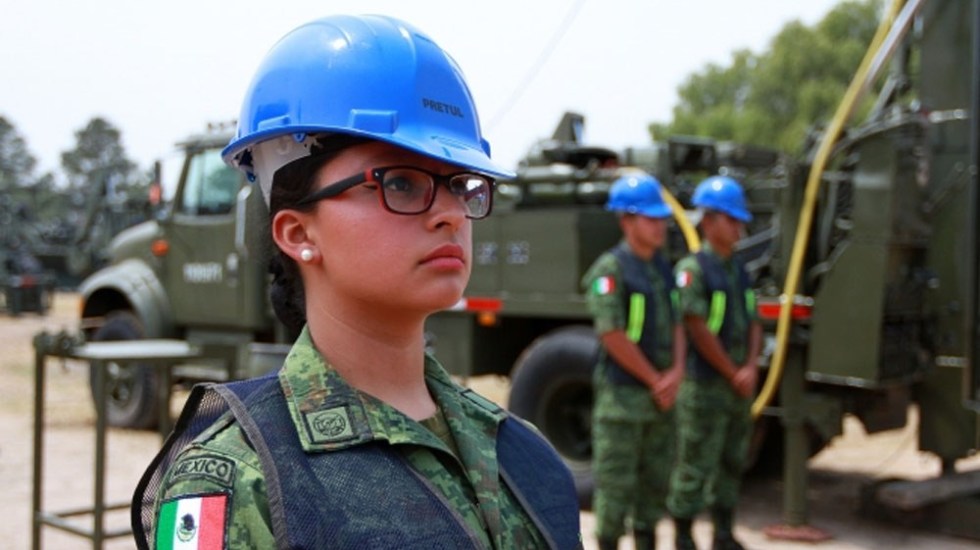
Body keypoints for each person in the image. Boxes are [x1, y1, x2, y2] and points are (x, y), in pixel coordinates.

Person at [131, 14, 581, 550]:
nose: (451, 214)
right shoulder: (240, 482)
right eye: (401, 183)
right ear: (298, 232)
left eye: (461, 185)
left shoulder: (525, 455)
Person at [581, 173, 685, 550]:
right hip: (623, 404)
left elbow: (678, 323)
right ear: (626, 220)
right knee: (615, 490)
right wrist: (656, 380)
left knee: (654, 490)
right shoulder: (610, 270)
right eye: (651, 218)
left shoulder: (663, 268)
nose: (660, 226)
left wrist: (677, 372)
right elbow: (612, 332)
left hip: (660, 404)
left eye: (662, 219)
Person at [666, 176, 763, 550]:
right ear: (708, 221)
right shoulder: (693, 270)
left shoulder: (739, 269)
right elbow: (696, 325)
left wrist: (750, 366)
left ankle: (723, 534)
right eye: (732, 219)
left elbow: (754, 320)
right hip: (704, 386)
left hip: (735, 386)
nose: (739, 228)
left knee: (731, 460)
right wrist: (732, 371)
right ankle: (684, 536)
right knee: (694, 463)